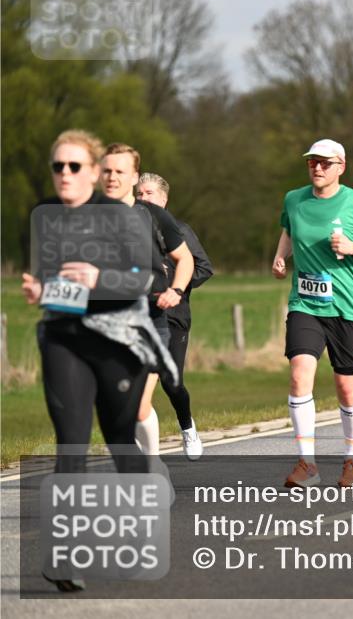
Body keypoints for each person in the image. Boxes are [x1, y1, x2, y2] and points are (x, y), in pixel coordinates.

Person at [23, 130, 175, 592]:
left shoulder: (124, 217)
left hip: (117, 340)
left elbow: (151, 276)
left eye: (74, 166)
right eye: (57, 167)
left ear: (92, 172)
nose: (64, 175)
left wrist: (99, 277)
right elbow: (53, 279)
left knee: (118, 436)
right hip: (65, 338)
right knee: (71, 441)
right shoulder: (43, 217)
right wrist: (43, 290)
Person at [272, 139, 353, 488]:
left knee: (346, 385)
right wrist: (281, 256)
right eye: (312, 163)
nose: (317, 168)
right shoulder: (294, 198)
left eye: (324, 163)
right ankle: (307, 463)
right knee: (298, 373)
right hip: (305, 303)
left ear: (341, 166)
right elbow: (288, 231)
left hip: (347, 307)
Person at [100, 143, 194, 462]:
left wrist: (176, 290)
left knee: (138, 404)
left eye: (120, 171)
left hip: (149, 321)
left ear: (133, 176)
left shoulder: (153, 216)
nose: (112, 177)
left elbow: (185, 260)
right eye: (107, 170)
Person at [137, 173, 214, 459]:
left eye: (149, 194)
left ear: (164, 200)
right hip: (140, 315)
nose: (143, 198)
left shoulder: (179, 230)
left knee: (172, 382)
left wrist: (176, 288)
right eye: (140, 193)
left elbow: (204, 267)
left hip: (174, 316)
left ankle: (187, 426)